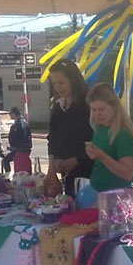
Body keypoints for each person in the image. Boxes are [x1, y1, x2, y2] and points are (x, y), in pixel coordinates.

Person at [45, 59, 92, 196]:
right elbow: (52, 139)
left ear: (73, 80)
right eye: (54, 84)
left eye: (61, 83)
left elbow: (96, 139)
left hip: (90, 176)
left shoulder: (88, 105)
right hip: (68, 177)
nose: (58, 88)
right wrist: (52, 167)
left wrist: (76, 160)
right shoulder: (58, 106)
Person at [84, 83, 133, 191]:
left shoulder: (124, 134)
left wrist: (102, 157)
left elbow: (128, 173)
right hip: (96, 191)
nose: (97, 114)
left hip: (116, 196)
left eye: (101, 110)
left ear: (114, 107)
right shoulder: (99, 128)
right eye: (93, 110)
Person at [4, 106, 32, 173]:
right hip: (24, 149)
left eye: (11, 113)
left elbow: (22, 138)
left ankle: (8, 176)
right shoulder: (24, 122)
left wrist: (14, 148)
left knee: (6, 160)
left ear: (14, 113)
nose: (10, 115)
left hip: (20, 150)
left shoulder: (19, 124)